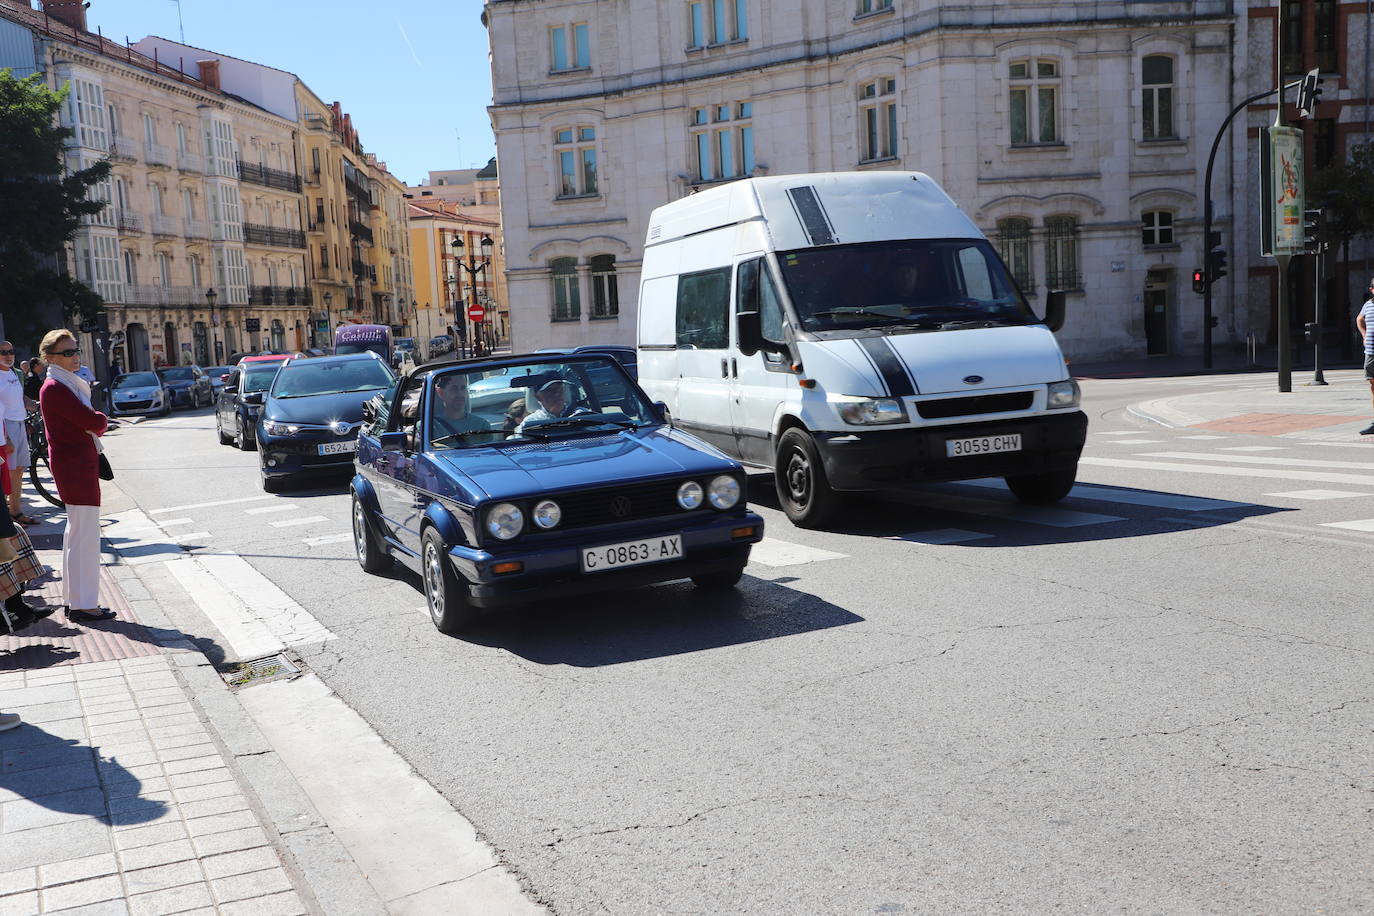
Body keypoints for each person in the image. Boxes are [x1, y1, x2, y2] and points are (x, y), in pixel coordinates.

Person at [37, 329, 115, 622]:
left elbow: (89, 422)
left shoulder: (63, 384)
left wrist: (95, 422)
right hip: (75, 467)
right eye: (67, 352)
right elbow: (91, 420)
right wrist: (101, 420)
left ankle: (77, 601)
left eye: (75, 350)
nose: (75, 356)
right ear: (50, 357)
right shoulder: (56, 387)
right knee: (84, 537)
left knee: (77, 534)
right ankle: (84, 605)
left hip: (76, 465)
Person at [0, 341, 35, 525]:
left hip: (20, 424)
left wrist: (37, 405)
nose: (8, 355)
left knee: (19, 470)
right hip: (6, 426)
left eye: (11, 351)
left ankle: (16, 511)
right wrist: (5, 438)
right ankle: (8, 518)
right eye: (3, 352)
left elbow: (19, 398)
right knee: (8, 472)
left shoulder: (13, 373)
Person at [514, 376, 589, 435]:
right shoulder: (530, 423)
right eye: (550, 390)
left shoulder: (582, 414)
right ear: (538, 396)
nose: (557, 394)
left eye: (560, 389)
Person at [429, 372, 488, 442]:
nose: (460, 394)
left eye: (463, 388)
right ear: (441, 393)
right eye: (454, 389)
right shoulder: (430, 427)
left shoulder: (481, 425)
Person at [1358, 277, 1374, 436]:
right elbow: (1359, 318)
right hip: (1370, 352)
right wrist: (1364, 334)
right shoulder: (1367, 305)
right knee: (1373, 386)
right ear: (1371, 290)